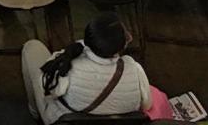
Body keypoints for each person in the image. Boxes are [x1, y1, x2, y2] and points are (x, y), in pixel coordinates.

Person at [24, 17, 153, 123]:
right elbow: (147, 105)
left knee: (32, 47)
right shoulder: (135, 69)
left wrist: (60, 56)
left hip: (66, 119)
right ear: (122, 46)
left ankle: (35, 113)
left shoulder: (68, 66)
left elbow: (46, 87)